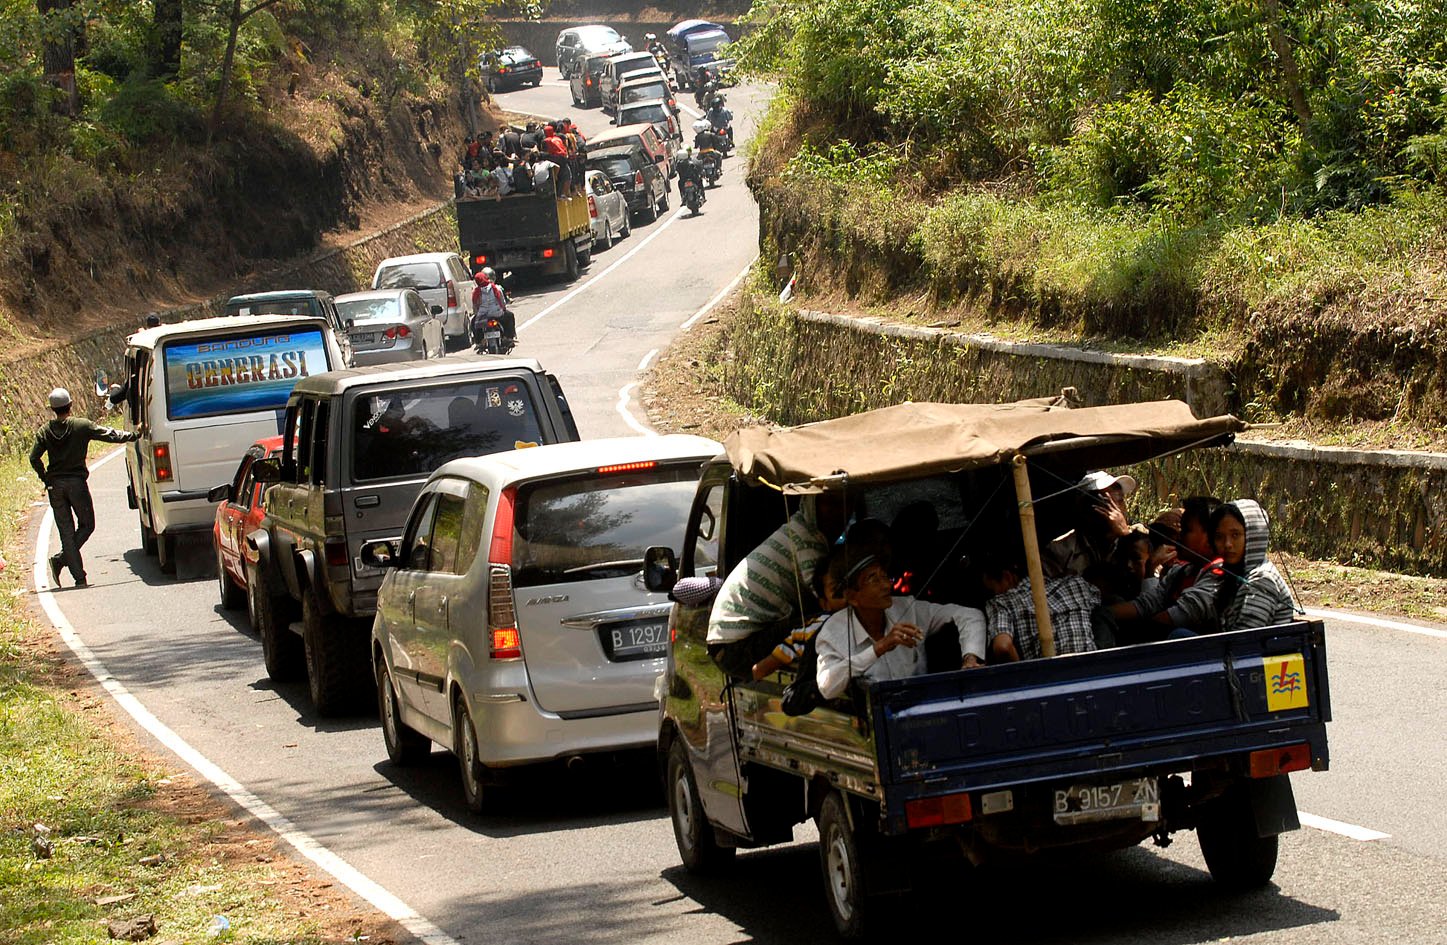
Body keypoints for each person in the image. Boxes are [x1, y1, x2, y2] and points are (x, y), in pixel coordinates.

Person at [706, 494, 848, 679]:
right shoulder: (806, 536)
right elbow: (828, 598)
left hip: (731, 645)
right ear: (811, 505)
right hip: (737, 648)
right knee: (834, 622)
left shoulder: (801, 529)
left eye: (847, 502)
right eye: (830, 504)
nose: (840, 511)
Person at [814, 552, 986, 700]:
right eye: (873, 579)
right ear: (852, 597)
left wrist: (970, 658)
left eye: (884, 576)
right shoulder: (832, 632)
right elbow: (827, 687)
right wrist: (879, 648)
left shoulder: (907, 608)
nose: (887, 585)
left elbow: (969, 615)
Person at [30, 388, 142, 587]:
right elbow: (109, 434)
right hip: (77, 484)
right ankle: (62, 561)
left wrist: (46, 478)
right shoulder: (81, 425)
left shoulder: (44, 432)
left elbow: (34, 457)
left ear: (52, 409)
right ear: (71, 405)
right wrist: (134, 435)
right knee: (87, 525)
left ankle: (78, 577)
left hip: (55, 487)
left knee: (66, 532)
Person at [980, 555, 1100, 662]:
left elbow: (1003, 647)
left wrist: (1025, 678)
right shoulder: (1076, 584)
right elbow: (1108, 610)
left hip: (1048, 678)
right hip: (1092, 669)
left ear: (1008, 577)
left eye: (992, 589)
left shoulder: (1001, 602)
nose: (994, 594)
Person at [751, 547, 848, 680]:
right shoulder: (812, 630)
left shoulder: (885, 615)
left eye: (852, 583)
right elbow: (759, 670)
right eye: (837, 589)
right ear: (824, 603)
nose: (848, 593)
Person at [1043, 470, 1136, 579]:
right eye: (1107, 503)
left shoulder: (1134, 541)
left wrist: (1125, 536)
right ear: (1087, 507)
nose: (1117, 511)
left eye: (1120, 501)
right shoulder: (1060, 550)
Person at [470, 268, 514, 343]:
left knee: (473, 323)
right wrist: (503, 308)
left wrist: (477, 314)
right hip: (497, 314)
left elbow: (475, 305)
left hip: (483, 316)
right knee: (510, 316)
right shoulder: (496, 288)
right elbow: (501, 300)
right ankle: (509, 337)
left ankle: (479, 341)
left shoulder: (476, 292)